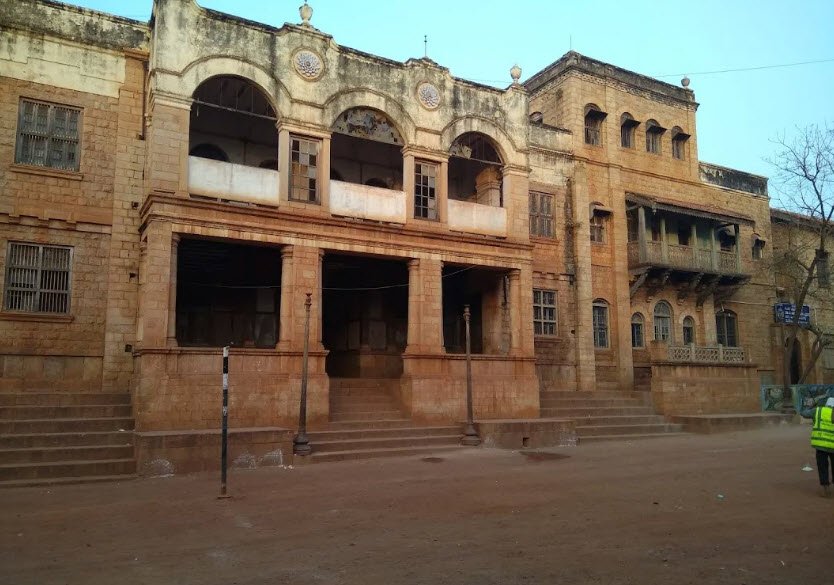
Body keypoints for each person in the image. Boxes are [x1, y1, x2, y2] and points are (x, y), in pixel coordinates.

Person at [800, 395, 834, 498]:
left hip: (820, 445)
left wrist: (811, 404)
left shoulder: (818, 411)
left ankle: (826, 489)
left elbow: (803, 413)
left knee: (822, 467)